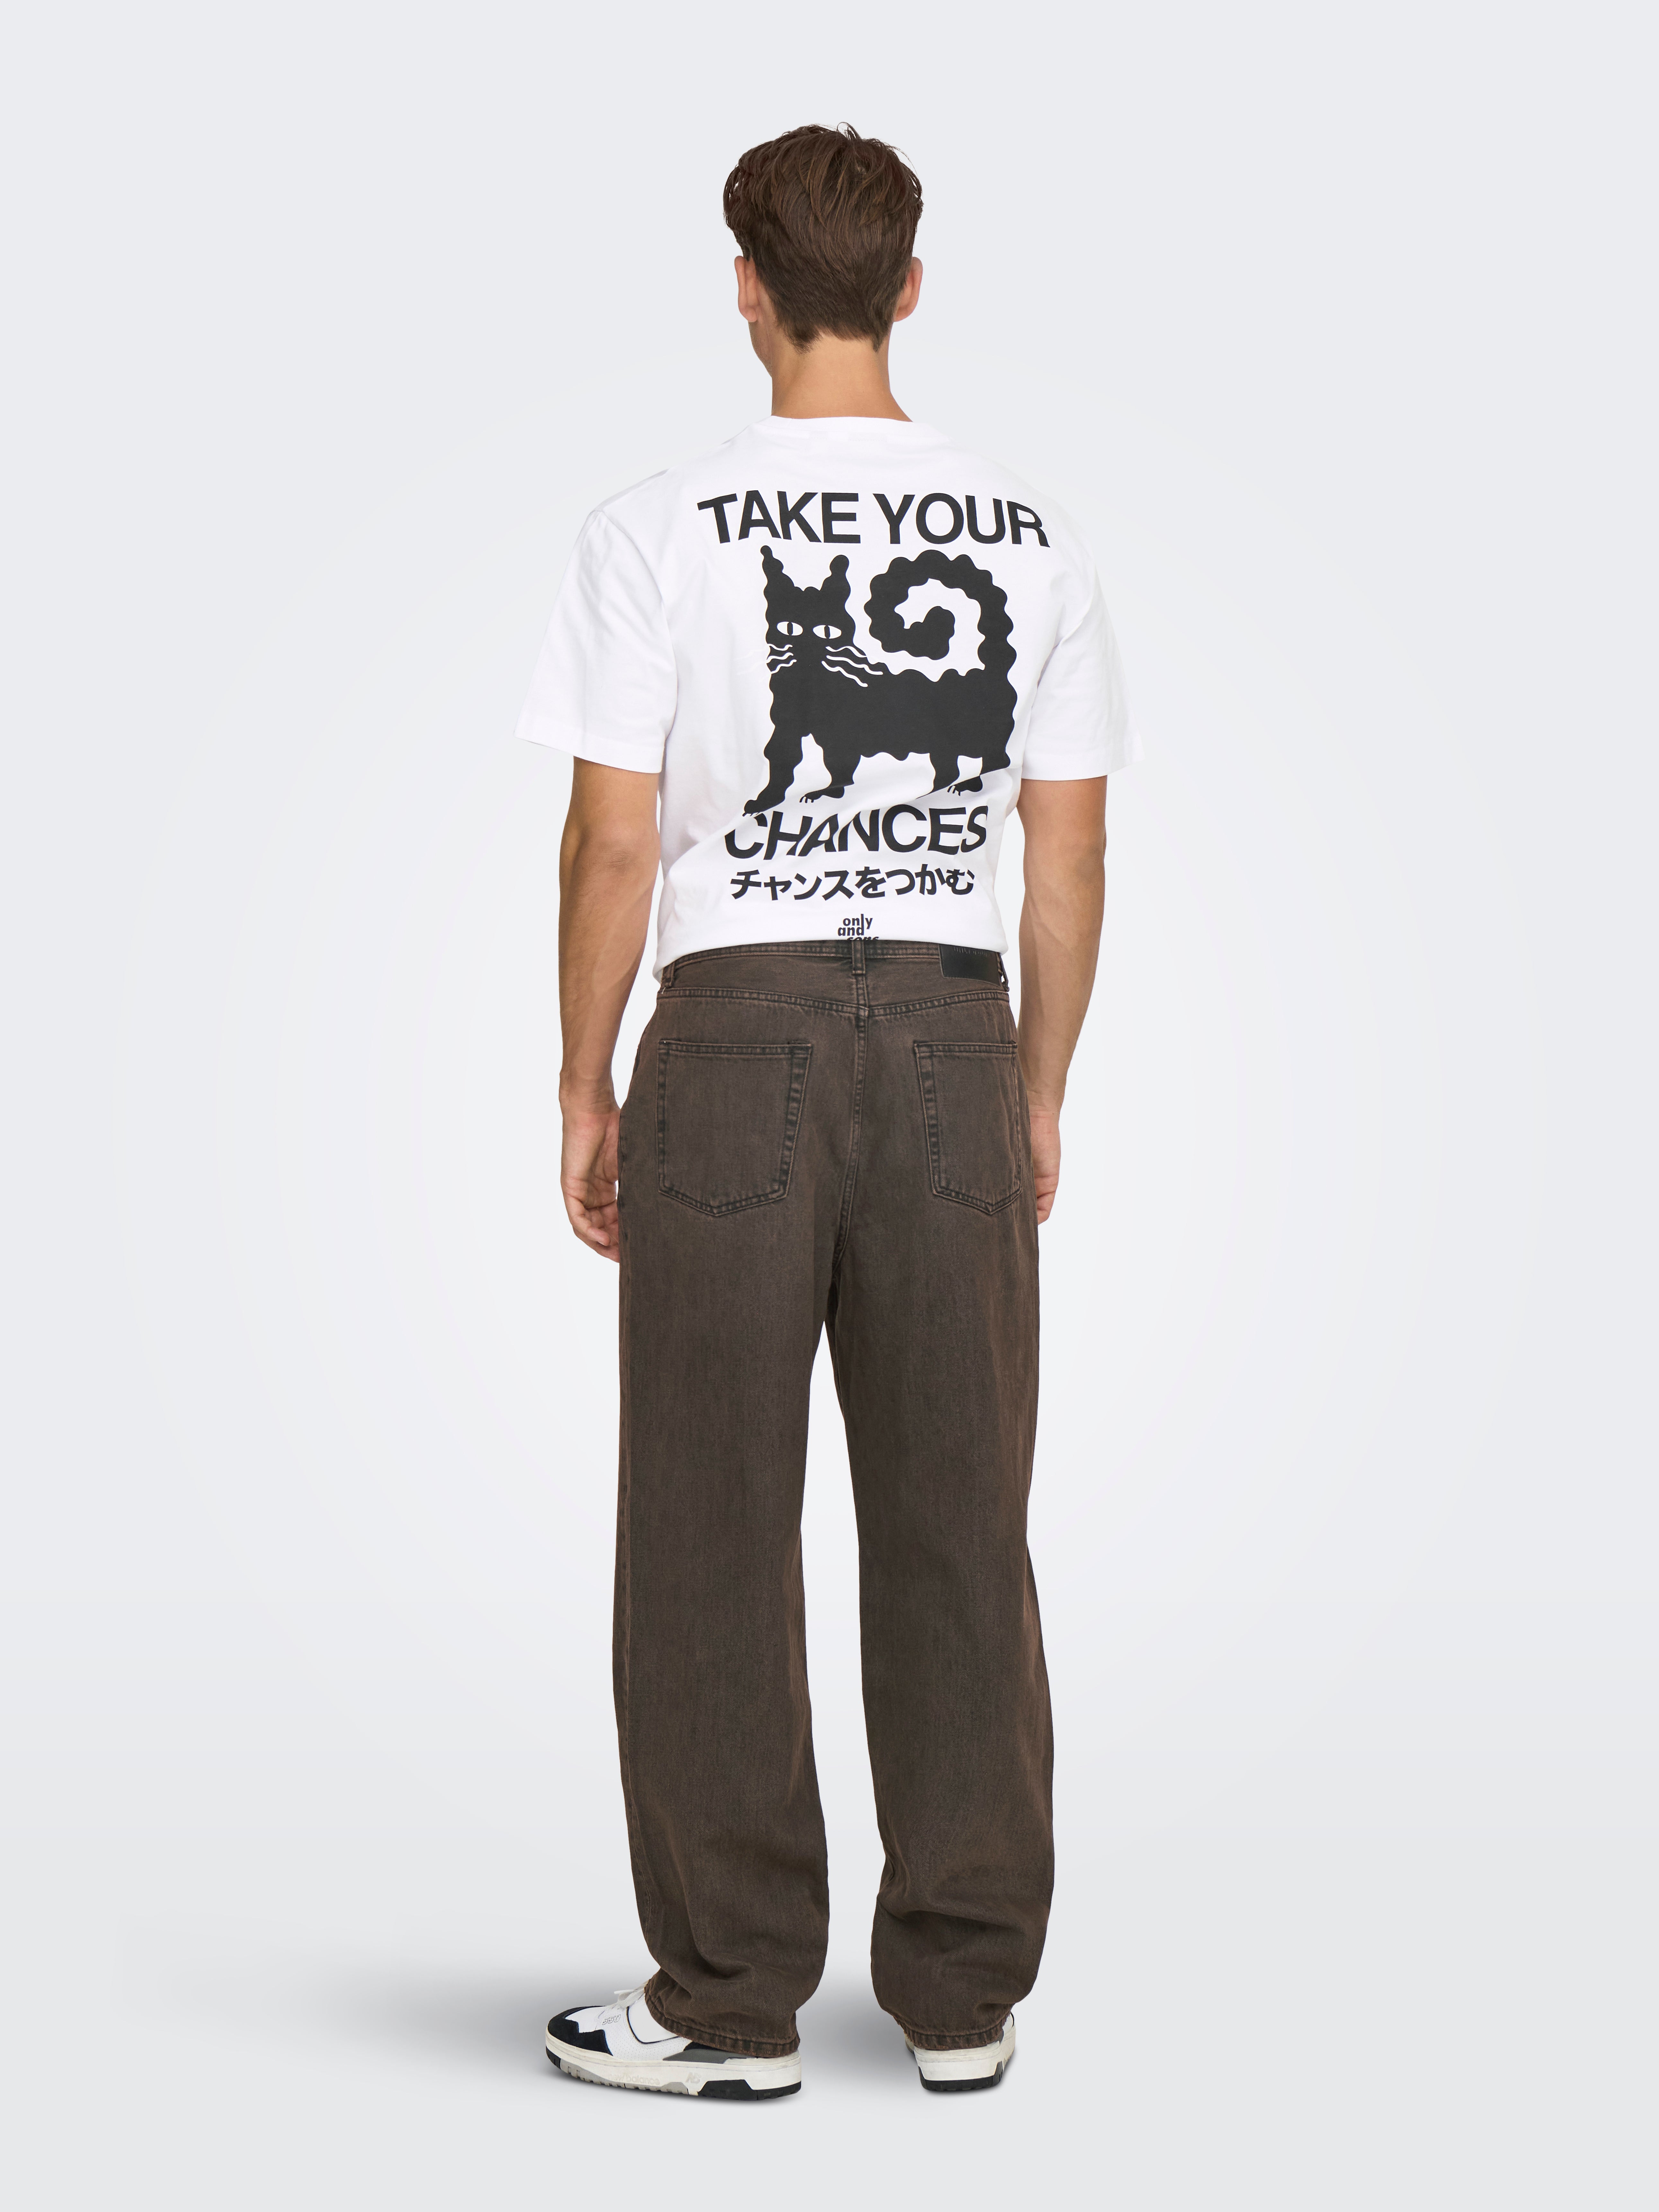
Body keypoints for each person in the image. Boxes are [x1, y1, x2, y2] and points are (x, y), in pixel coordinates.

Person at [522, 124, 1137, 2099]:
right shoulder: (1033, 535)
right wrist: (1036, 1084)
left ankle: (729, 2002)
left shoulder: (657, 528)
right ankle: (961, 1996)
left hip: (734, 1039)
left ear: (748, 288)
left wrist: (584, 1079)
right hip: (954, 1032)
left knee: (708, 1517)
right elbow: (1067, 854)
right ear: (911, 288)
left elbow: (615, 843)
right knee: (962, 1514)